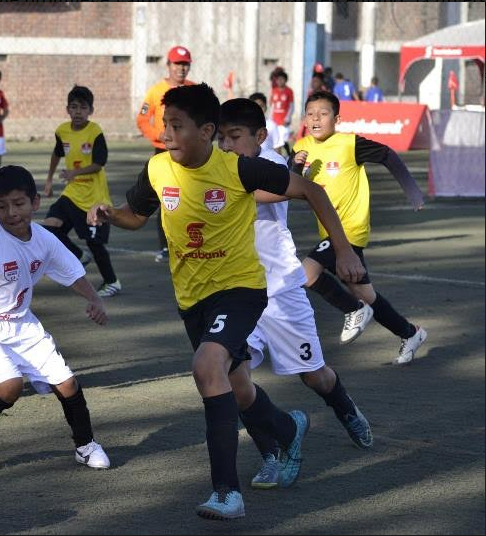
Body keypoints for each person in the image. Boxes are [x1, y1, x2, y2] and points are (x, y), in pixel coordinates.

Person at [88, 83, 365, 520]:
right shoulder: (159, 168)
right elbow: (136, 217)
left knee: (206, 368)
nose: (166, 133)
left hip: (240, 290)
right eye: (165, 124)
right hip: (191, 298)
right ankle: (288, 427)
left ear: (206, 130)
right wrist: (109, 213)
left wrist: (344, 250)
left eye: (177, 126)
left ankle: (226, 492)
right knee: (237, 387)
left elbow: (313, 191)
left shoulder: (240, 170)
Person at [216, 98, 373, 490]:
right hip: (235, 293)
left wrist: (343, 250)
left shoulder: (264, 168)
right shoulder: (221, 165)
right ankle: (274, 452)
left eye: (234, 137)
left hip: (279, 290)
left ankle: (344, 407)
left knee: (314, 377)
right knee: (233, 379)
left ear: (260, 137)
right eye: (221, 138)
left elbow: (300, 190)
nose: (227, 146)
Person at [0, 165, 111, 471]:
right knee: (10, 386)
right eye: (2, 207)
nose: (11, 213)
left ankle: (85, 446)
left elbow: (72, 273)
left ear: (35, 203)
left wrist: (94, 299)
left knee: (67, 383)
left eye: (19, 204)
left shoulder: (44, 239)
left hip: (21, 321)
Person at [292, 90, 427, 365]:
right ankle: (410, 333)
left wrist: (413, 191)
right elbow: (289, 184)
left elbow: (388, 154)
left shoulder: (349, 143)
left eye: (323, 113)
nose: (316, 119)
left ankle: (353, 310)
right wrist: (293, 166)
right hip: (328, 233)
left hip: (348, 230)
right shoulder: (301, 146)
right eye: (311, 114)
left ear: (337, 118)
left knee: (305, 273)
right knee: (369, 296)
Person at [42, 85, 120, 298]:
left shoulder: (94, 131)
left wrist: (74, 172)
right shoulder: (62, 131)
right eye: (74, 107)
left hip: (94, 196)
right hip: (73, 192)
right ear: (67, 109)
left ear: (91, 110)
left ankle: (112, 281)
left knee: (95, 243)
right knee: (49, 228)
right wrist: (49, 180)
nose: (78, 112)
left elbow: (99, 163)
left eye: (83, 108)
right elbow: (57, 153)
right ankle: (78, 255)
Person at [135, 45, 196, 263]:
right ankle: (166, 246)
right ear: (169, 65)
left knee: (192, 197)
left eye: (185, 64)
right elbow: (142, 119)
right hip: (163, 152)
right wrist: (158, 135)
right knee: (165, 200)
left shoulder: (194, 90)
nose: (181, 68)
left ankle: (194, 243)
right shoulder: (155, 91)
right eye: (177, 64)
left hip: (189, 153)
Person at [269, 69, 294, 155]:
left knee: (281, 142)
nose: (280, 81)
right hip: (275, 120)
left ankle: (287, 156)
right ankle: (281, 157)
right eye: (278, 79)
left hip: (283, 121)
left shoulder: (289, 91)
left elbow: (291, 106)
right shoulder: (274, 90)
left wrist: (288, 118)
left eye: (282, 79)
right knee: (276, 142)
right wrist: (270, 118)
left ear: (285, 80)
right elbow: (272, 105)